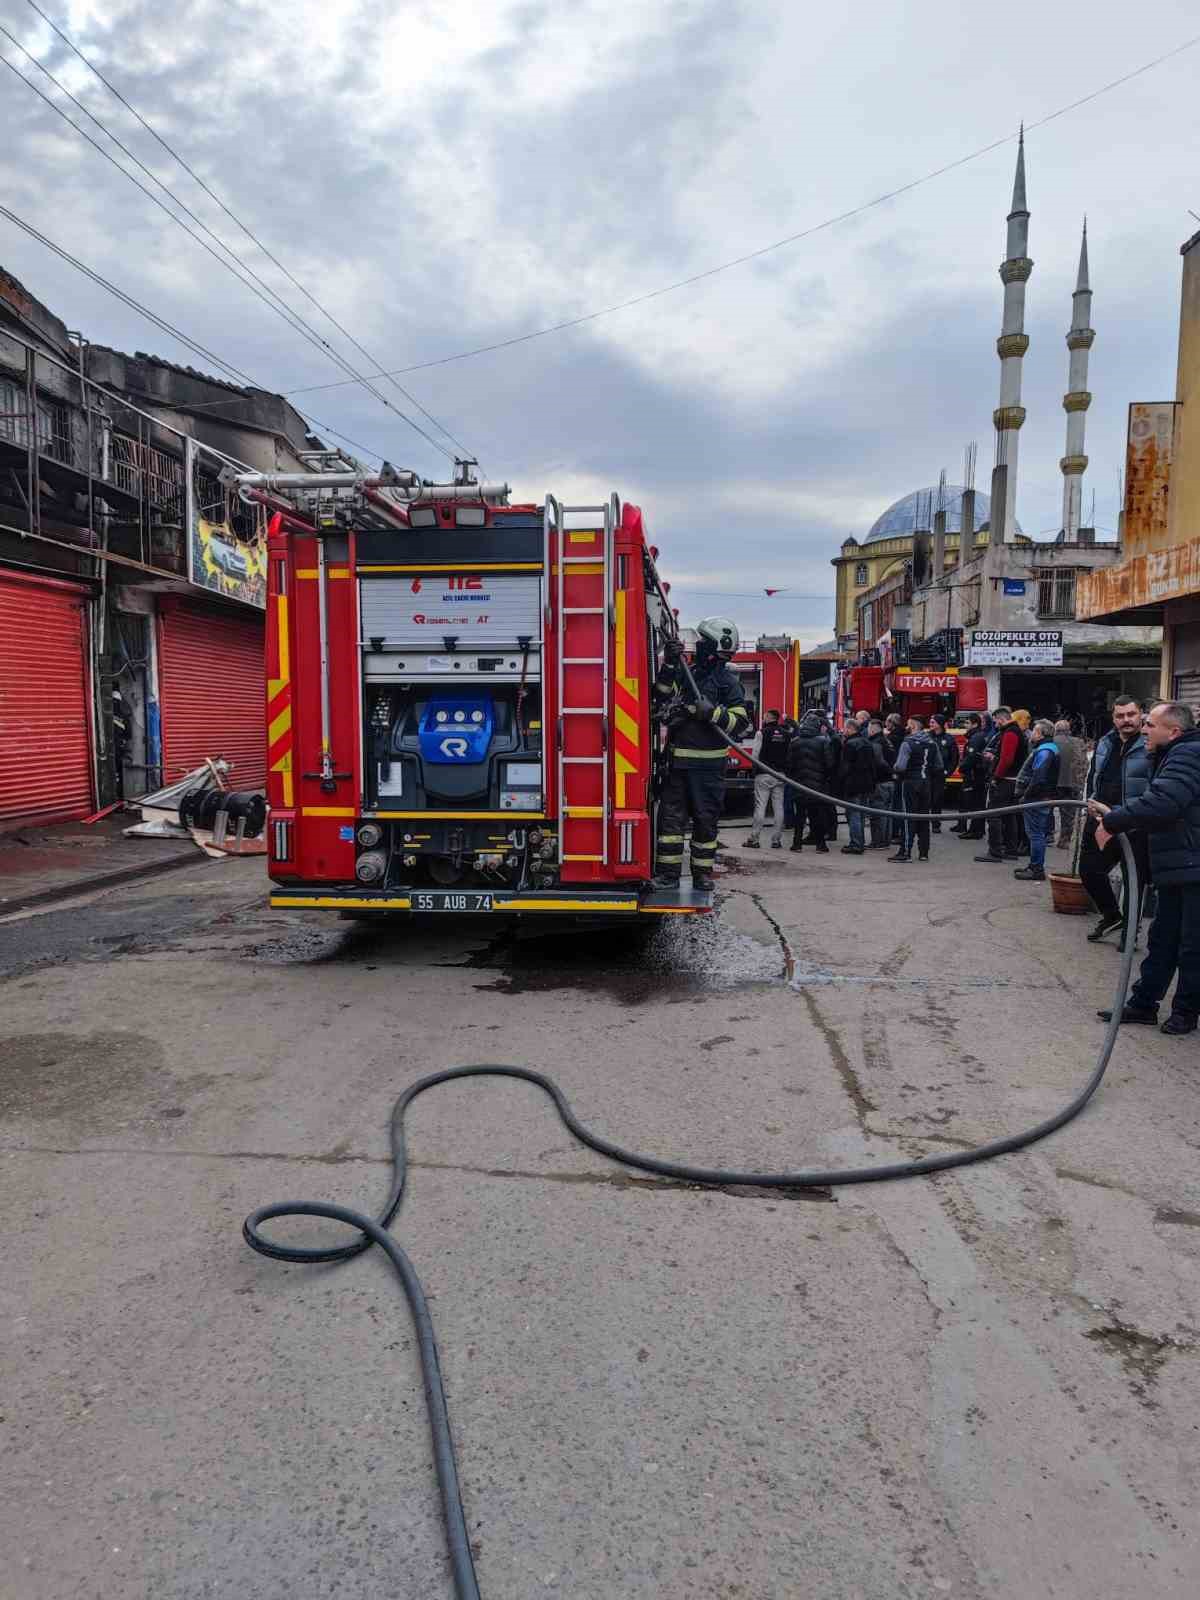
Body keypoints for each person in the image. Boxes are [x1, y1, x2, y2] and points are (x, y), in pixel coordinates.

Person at [1093, 702, 1200, 1035]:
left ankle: (1185, 1012)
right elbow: (1166, 808)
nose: (1143, 729)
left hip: (1193, 866)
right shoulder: (1173, 754)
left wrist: (1113, 821)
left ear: (1174, 732)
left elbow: (1164, 802)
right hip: (1178, 865)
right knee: (1163, 938)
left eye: (1150, 725)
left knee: (1192, 945)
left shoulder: (1187, 755)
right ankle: (1143, 1005)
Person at [653, 618, 750, 889]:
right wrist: (671, 663)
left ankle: (702, 875)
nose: (699, 647)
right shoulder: (688, 673)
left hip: (709, 770)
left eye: (703, 643)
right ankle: (668, 876)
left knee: (705, 826)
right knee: (671, 826)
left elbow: (741, 723)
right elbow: (660, 696)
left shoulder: (728, 682)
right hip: (679, 765)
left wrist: (713, 713)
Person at [1079, 696, 1151, 943]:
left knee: (1134, 880)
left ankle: (1130, 934)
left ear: (1140, 714)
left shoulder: (1151, 744)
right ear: (1114, 718)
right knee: (1089, 871)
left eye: (1131, 714)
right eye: (1120, 716)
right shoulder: (1105, 742)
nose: (1126, 720)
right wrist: (1089, 801)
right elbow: (1093, 776)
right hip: (1100, 819)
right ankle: (1112, 916)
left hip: (1133, 823)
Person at [975, 707, 1026, 864]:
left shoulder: (1010, 733)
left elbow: (1007, 759)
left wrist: (996, 776)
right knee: (1009, 815)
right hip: (1013, 780)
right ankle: (1011, 850)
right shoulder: (1016, 731)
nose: (995, 723)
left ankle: (995, 851)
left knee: (994, 814)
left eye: (995, 720)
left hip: (1006, 780)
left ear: (1001, 718)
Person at [1012, 719, 1060, 882]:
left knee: (1036, 834)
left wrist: (1026, 795)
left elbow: (1039, 777)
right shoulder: (1047, 748)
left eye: (1034, 730)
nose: (1032, 733)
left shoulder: (1045, 751)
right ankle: (1034, 865)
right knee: (1036, 833)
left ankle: (1036, 868)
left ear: (1040, 734)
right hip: (1040, 796)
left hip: (1037, 798)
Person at [890, 715, 942, 863]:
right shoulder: (932, 744)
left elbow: (900, 766)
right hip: (926, 783)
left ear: (913, 726)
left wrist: (895, 768)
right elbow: (939, 766)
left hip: (910, 782)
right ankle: (924, 852)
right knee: (924, 818)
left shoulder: (908, 743)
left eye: (908, 725)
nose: (906, 727)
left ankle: (905, 852)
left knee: (908, 817)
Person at [785, 712, 836, 852]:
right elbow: (829, 764)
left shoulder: (795, 741)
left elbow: (789, 764)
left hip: (799, 784)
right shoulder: (823, 741)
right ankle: (820, 845)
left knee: (799, 816)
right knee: (817, 816)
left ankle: (796, 844)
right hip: (817, 786)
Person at [744, 708, 790, 849]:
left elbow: (755, 755)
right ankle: (776, 841)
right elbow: (789, 754)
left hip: (764, 774)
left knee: (760, 806)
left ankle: (754, 839)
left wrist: (754, 771)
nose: (763, 718)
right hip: (780, 775)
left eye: (764, 716)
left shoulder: (761, 733)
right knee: (779, 808)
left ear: (768, 717)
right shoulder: (787, 734)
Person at [838, 717, 880, 855]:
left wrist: (841, 782)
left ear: (850, 729)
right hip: (866, 784)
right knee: (860, 814)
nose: (843, 731)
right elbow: (873, 765)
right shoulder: (867, 742)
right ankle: (859, 842)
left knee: (853, 814)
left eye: (845, 728)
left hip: (854, 784)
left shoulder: (850, 744)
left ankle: (856, 844)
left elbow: (846, 767)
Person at [1053, 718, 1088, 849]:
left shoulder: (1052, 741)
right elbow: (1084, 763)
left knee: (1046, 810)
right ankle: (1065, 840)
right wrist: (1080, 781)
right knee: (1069, 814)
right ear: (1069, 730)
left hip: (1054, 783)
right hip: (1073, 783)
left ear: (1056, 730)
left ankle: (1048, 835)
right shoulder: (1078, 742)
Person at [954, 713, 989, 838]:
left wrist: (962, 768)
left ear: (975, 724)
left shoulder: (976, 737)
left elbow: (971, 757)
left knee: (975, 803)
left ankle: (975, 831)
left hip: (974, 775)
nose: (965, 725)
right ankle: (975, 829)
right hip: (977, 774)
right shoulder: (978, 736)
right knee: (976, 802)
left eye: (967, 723)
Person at [928, 713, 959, 833]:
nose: (930, 724)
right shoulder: (926, 737)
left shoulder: (949, 739)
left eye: (933, 722)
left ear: (939, 724)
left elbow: (954, 758)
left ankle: (936, 824)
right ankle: (921, 824)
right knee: (924, 800)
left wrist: (948, 772)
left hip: (940, 775)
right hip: (926, 774)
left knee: (937, 800)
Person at [865, 717, 892, 848]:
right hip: (889, 781)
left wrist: (873, 776)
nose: (867, 731)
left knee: (877, 813)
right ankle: (885, 840)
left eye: (869, 728)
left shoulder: (876, 743)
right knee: (887, 813)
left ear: (873, 728)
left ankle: (878, 841)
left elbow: (879, 762)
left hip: (880, 782)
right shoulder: (886, 740)